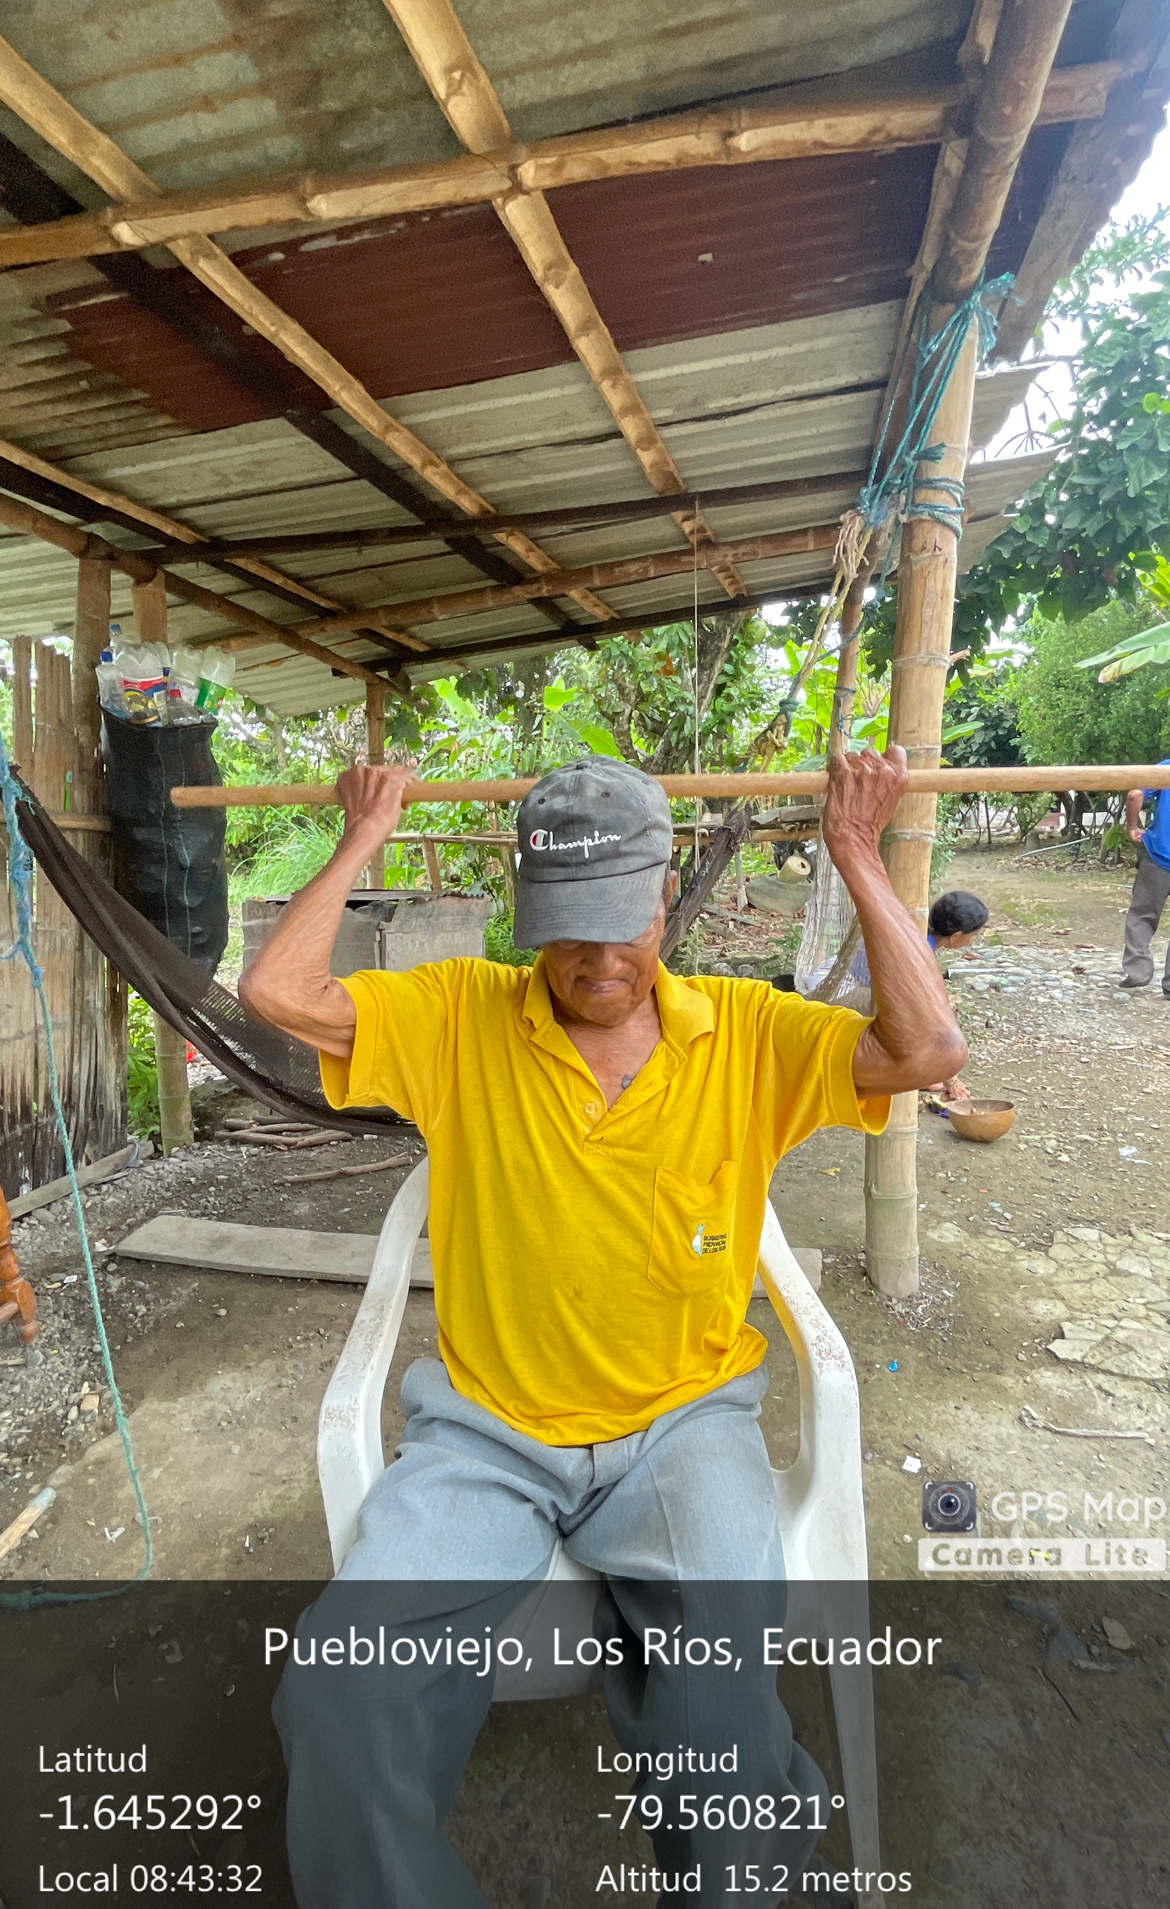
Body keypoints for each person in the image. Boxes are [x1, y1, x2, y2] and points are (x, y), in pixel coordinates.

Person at [239, 747, 964, 1909]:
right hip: (487, 1433)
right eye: (565, 929)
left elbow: (927, 1053)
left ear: (666, 896)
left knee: (723, 1718)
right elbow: (277, 993)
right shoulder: (457, 1014)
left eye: (620, 922)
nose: (595, 960)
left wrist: (856, 850)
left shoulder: (748, 1032)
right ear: (526, 909)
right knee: (341, 1693)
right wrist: (366, 832)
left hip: (685, 1426)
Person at [1120, 765, 1170, 996]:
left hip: (1159, 855)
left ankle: (1138, 972)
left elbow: (1135, 794)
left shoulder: (1166, 768)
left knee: (1142, 915)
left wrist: (1132, 826)